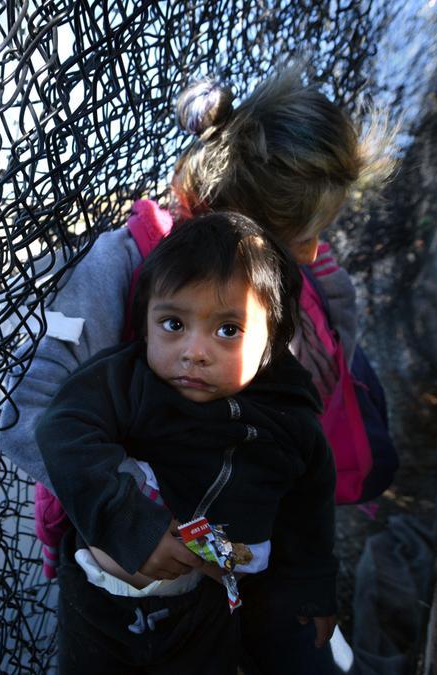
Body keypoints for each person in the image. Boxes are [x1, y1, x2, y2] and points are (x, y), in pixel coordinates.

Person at [0, 65, 392, 672]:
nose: (316, 253)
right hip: (133, 569)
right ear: (244, 228)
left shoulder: (290, 286)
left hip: (249, 551)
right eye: (302, 238)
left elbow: (300, 440)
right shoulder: (123, 269)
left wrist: (306, 574)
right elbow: (32, 418)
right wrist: (136, 516)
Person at [36, 213, 336, 673]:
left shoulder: (288, 418)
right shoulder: (128, 381)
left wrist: (313, 586)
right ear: (146, 319)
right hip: (102, 605)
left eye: (228, 330)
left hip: (210, 604)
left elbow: (307, 509)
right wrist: (136, 525)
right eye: (173, 324)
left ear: (272, 339)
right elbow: (61, 430)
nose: (194, 352)